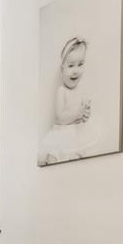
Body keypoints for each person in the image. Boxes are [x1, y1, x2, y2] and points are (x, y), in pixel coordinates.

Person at [40, 37, 100, 165]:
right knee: (55, 157)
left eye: (80, 64)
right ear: (62, 69)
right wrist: (77, 113)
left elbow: (84, 117)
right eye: (71, 65)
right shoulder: (62, 91)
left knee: (83, 157)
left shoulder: (82, 91)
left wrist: (85, 114)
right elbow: (60, 118)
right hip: (63, 134)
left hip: (79, 134)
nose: (75, 70)